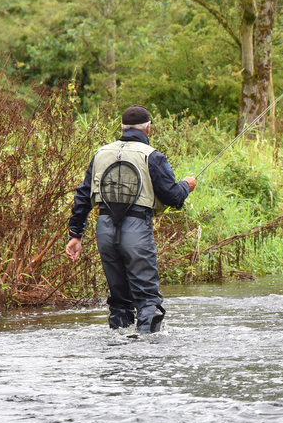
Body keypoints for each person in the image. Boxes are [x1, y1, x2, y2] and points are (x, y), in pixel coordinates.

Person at [65, 105, 197, 333]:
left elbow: (82, 196)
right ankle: (146, 351)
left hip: (104, 230)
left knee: (118, 298)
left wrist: (75, 235)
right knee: (147, 298)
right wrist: (187, 185)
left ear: (122, 128)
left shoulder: (100, 153)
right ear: (148, 128)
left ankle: (119, 347)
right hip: (136, 230)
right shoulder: (152, 156)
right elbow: (173, 197)